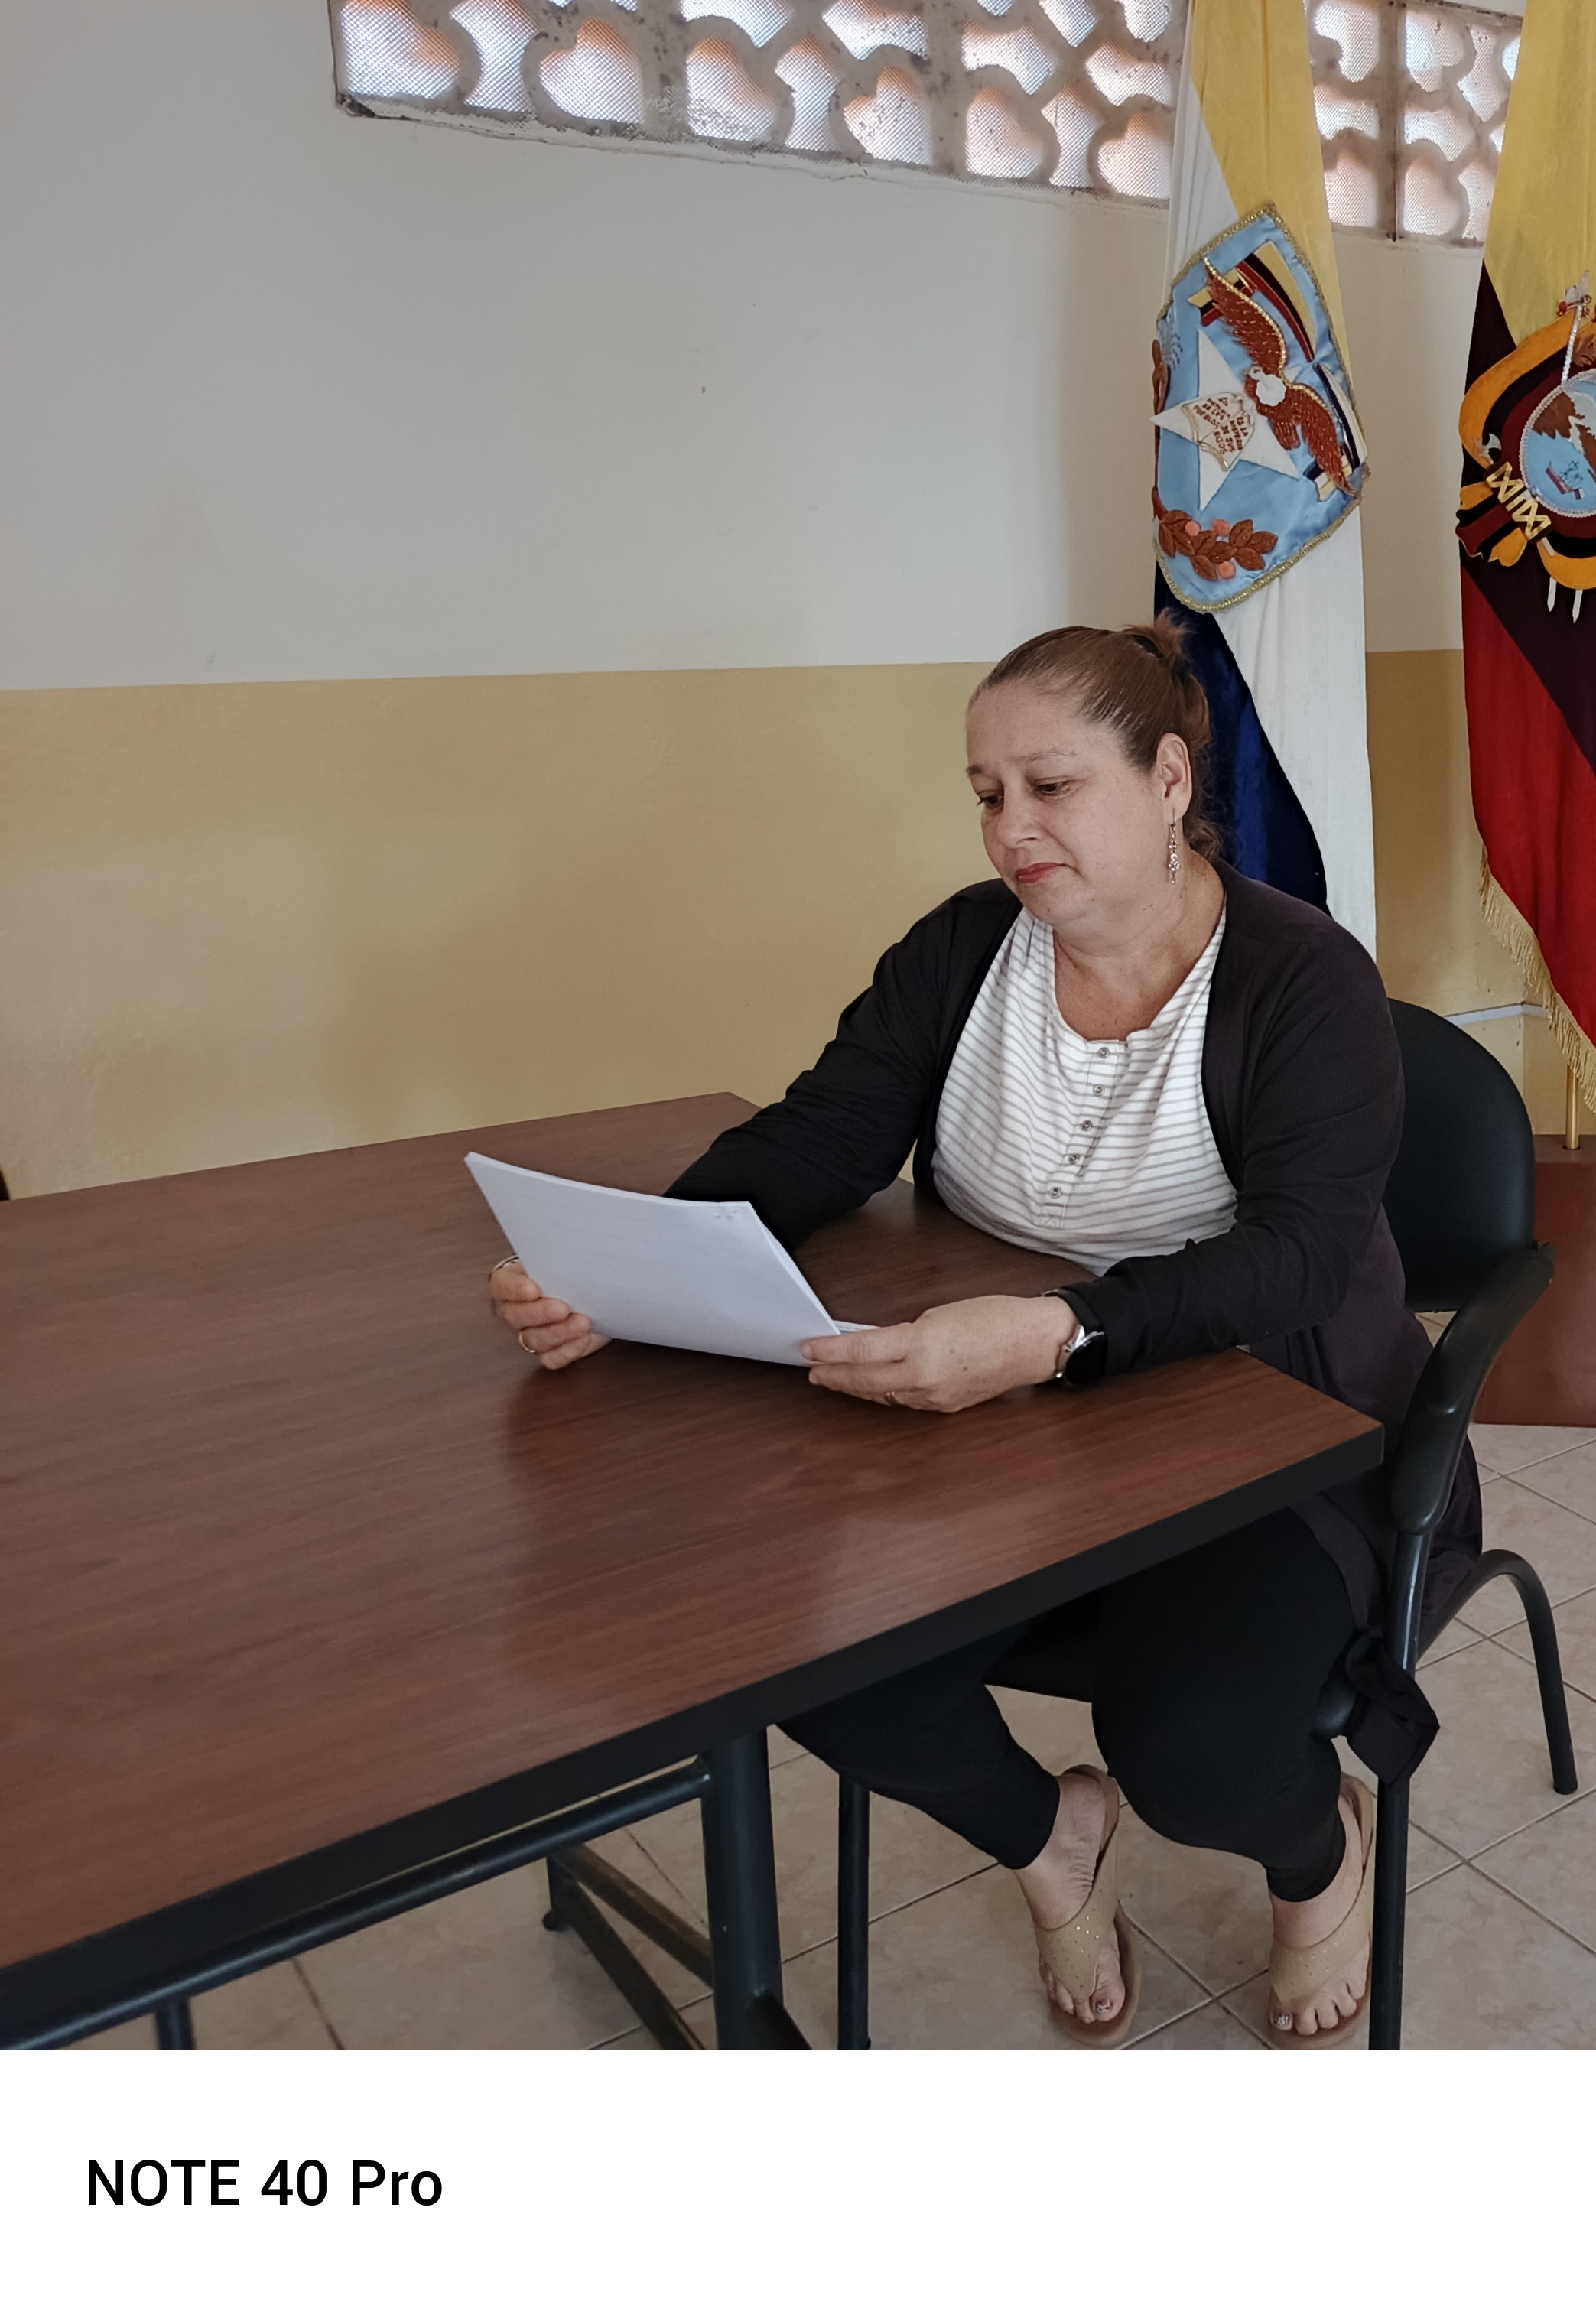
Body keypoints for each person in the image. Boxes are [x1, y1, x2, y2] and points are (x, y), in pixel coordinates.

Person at [486, 619, 1473, 2047]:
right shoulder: (962, 949)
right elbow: (820, 1137)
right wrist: (633, 1263)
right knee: (799, 1653)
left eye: (1051, 786)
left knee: (1196, 1751)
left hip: (1257, 1428)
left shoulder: (1302, 979)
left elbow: (1301, 1259)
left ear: (1169, 777)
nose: (1012, 829)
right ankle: (1050, 1836)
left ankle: (1322, 1855)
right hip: (1001, 1429)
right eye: (987, 794)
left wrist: (1055, 1333)